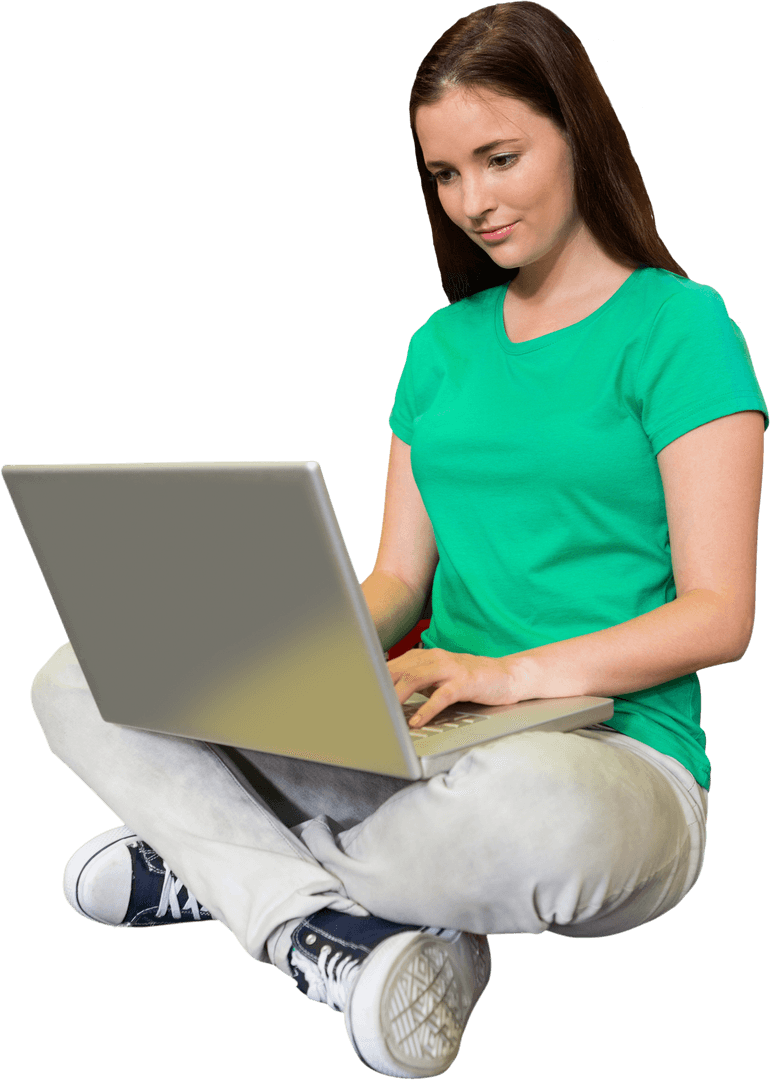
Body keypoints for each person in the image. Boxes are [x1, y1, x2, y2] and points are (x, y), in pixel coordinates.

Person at [30, 3, 767, 1078]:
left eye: (498, 158)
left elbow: (719, 615)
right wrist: (268, 646)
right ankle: (324, 918)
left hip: (608, 761)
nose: (472, 202)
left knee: (540, 823)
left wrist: (506, 676)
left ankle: (226, 867)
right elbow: (394, 579)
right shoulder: (439, 348)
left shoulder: (681, 328)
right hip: (422, 734)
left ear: (577, 130)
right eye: (442, 175)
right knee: (73, 677)